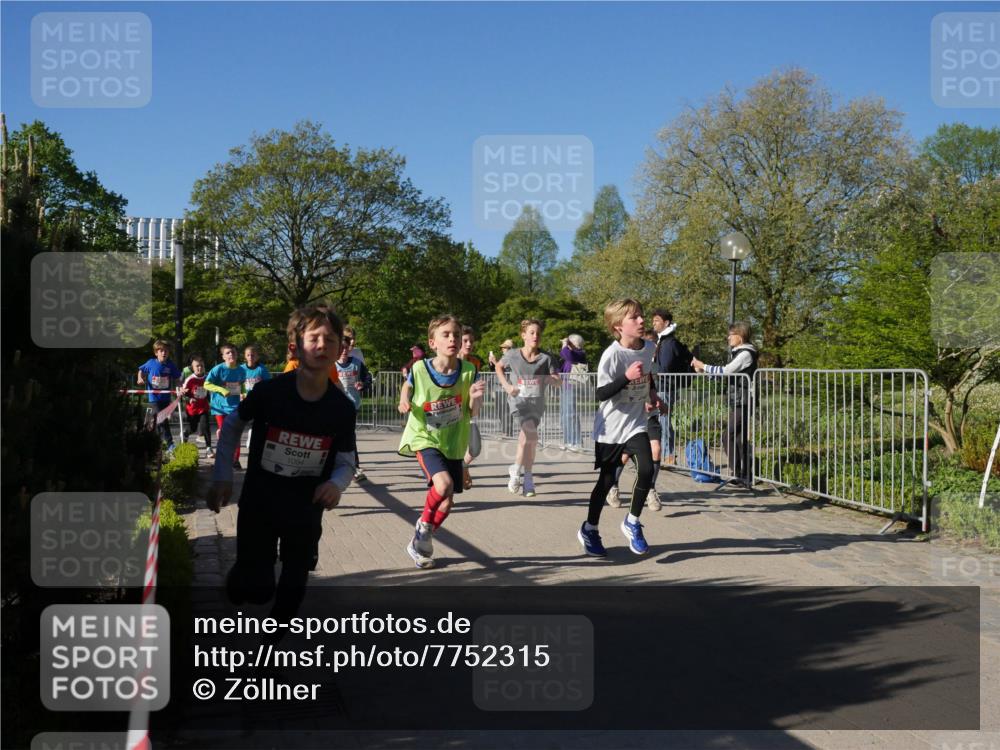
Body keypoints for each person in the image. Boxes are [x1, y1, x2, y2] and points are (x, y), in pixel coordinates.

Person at [208, 303, 356, 624]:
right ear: (295, 347)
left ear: (339, 349)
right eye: (313, 338)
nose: (322, 346)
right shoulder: (270, 393)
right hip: (260, 501)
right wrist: (222, 477)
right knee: (257, 589)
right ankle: (240, 577)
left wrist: (336, 484)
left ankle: (273, 640)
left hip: (305, 506)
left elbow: (347, 460)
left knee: (294, 578)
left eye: (330, 340)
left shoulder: (342, 408)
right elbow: (232, 426)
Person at [578, 299, 665, 557]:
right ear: (618, 326)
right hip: (611, 428)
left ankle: (632, 522)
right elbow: (601, 393)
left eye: (641, 316)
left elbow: (647, 375)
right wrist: (625, 377)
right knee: (606, 481)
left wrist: (653, 396)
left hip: (636, 423)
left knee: (647, 469)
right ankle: (589, 528)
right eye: (634, 318)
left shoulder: (649, 347)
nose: (641, 321)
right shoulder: (612, 355)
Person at [397, 314, 485, 569]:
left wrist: (476, 396)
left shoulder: (469, 370)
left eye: (456, 335)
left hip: (453, 441)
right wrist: (405, 398)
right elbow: (407, 386)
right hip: (425, 437)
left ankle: (420, 541)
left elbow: (473, 410)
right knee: (443, 484)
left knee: (447, 502)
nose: (453, 339)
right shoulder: (420, 368)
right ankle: (424, 526)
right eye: (446, 334)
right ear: (432, 342)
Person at [496, 319, 561, 497]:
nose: (535, 336)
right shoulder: (513, 355)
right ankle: (525, 476)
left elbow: (558, 380)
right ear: (523, 335)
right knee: (530, 434)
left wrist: (551, 380)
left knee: (527, 440)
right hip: (518, 402)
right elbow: (498, 367)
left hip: (537, 405)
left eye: (538, 333)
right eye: (532, 332)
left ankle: (518, 471)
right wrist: (507, 387)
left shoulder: (546, 358)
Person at [691, 321, 759, 487]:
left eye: (731, 334)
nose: (728, 338)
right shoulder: (739, 353)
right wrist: (704, 372)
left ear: (740, 336)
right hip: (738, 399)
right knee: (737, 438)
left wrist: (703, 366)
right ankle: (743, 475)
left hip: (743, 400)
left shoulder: (745, 354)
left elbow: (726, 371)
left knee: (728, 436)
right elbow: (725, 375)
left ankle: (740, 474)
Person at [652, 309, 693, 469]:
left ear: (666, 323)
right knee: (661, 421)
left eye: (656, 320)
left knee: (664, 422)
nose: (653, 323)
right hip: (662, 386)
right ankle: (664, 455)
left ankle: (668, 455)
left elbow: (666, 366)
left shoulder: (669, 343)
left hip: (665, 387)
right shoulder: (663, 341)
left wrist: (653, 369)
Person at [336, 331, 372, 483]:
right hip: (334, 406)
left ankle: (355, 468)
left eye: (346, 348)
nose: (344, 351)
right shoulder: (331, 365)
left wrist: (362, 384)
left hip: (351, 405)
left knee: (349, 435)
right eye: (341, 348)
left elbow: (368, 378)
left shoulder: (357, 363)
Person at [205, 343, 246, 470]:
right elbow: (206, 384)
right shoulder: (218, 369)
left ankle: (235, 459)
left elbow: (242, 386)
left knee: (236, 433)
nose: (231, 354)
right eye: (228, 352)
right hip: (220, 408)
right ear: (223, 356)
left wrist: (244, 394)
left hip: (235, 406)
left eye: (233, 352)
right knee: (226, 434)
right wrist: (221, 390)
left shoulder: (241, 370)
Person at [137, 340, 182, 454]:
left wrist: (180, 388)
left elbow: (177, 378)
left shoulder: (170, 365)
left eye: (166, 351)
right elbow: (141, 370)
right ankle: (170, 444)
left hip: (165, 399)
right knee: (160, 420)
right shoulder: (151, 363)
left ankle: (154, 444)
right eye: (161, 351)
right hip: (153, 398)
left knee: (154, 422)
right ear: (156, 352)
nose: (164, 353)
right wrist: (140, 378)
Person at [458, 326, 484, 489]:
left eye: (471, 341)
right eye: (465, 341)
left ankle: (463, 466)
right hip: (451, 414)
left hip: (469, 412)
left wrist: (475, 402)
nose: (469, 344)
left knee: (475, 449)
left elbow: (476, 390)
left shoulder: (474, 363)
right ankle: (448, 492)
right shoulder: (449, 361)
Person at [559, 334, 588, 452]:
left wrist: (565, 345)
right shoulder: (572, 354)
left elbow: (567, 355)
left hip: (573, 386)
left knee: (571, 414)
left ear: (575, 344)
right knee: (564, 415)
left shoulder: (580, 353)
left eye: (570, 343)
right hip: (565, 387)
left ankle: (576, 442)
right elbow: (564, 366)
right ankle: (568, 441)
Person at [182, 355, 214, 457]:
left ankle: (209, 448)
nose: (200, 368)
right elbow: (183, 394)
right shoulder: (190, 380)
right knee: (193, 428)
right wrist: (189, 398)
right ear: (193, 368)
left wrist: (211, 402)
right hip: (192, 409)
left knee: (205, 426)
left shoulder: (208, 378)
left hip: (203, 407)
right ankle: (185, 433)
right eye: (197, 366)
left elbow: (209, 391)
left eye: (202, 366)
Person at [488, 339, 515, 438]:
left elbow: (505, 371)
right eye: (502, 347)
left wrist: (495, 362)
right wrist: (491, 364)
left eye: (504, 347)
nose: (502, 349)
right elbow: (495, 370)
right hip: (498, 387)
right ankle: (504, 430)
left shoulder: (512, 358)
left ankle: (508, 432)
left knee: (506, 410)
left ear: (510, 348)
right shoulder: (504, 358)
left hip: (505, 387)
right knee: (500, 410)